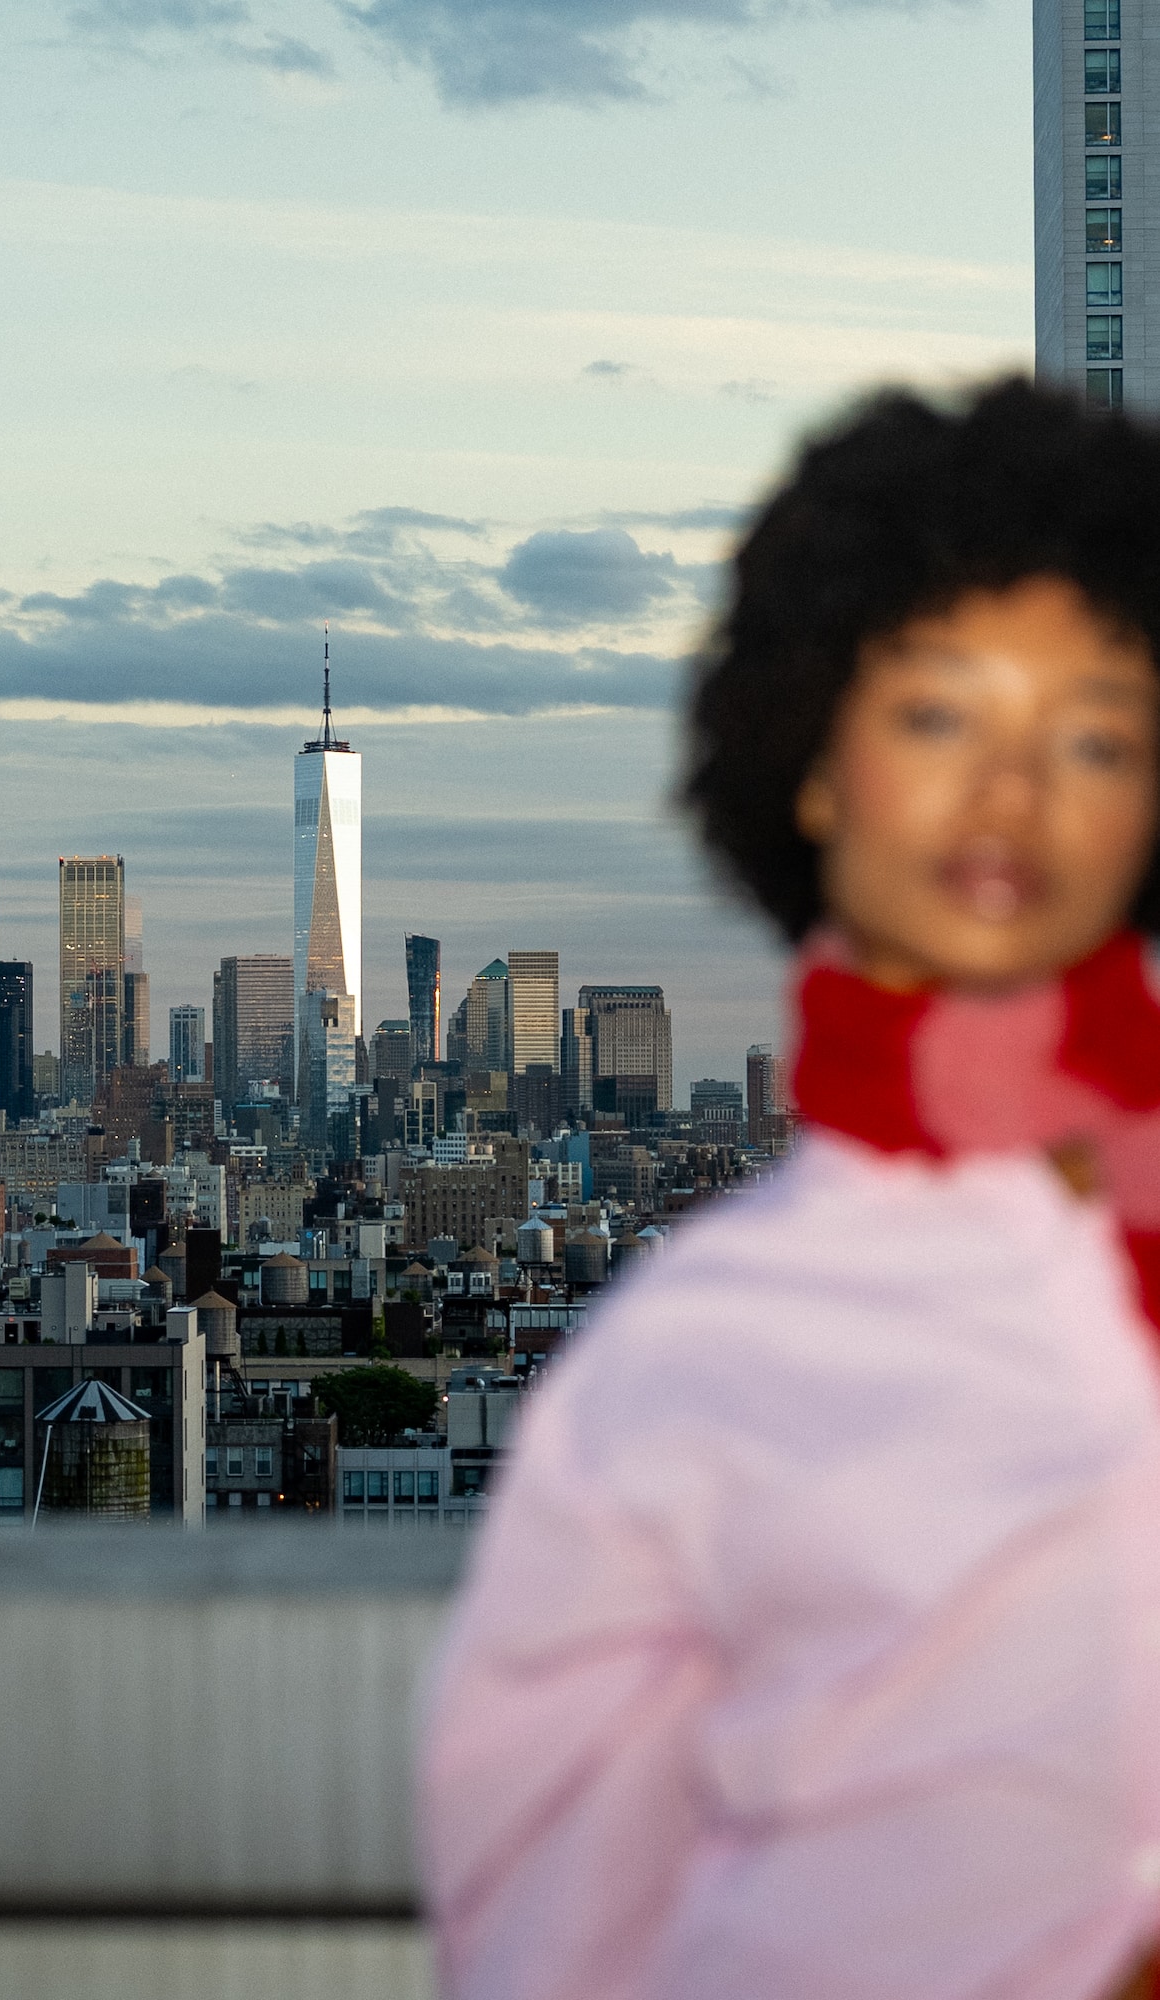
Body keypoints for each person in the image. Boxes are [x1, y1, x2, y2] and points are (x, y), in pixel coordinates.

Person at [418, 378, 1160, 2000]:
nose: (1011, 791)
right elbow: (547, 1927)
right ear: (813, 769)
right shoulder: (692, 1348)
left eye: (1092, 729)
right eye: (936, 714)